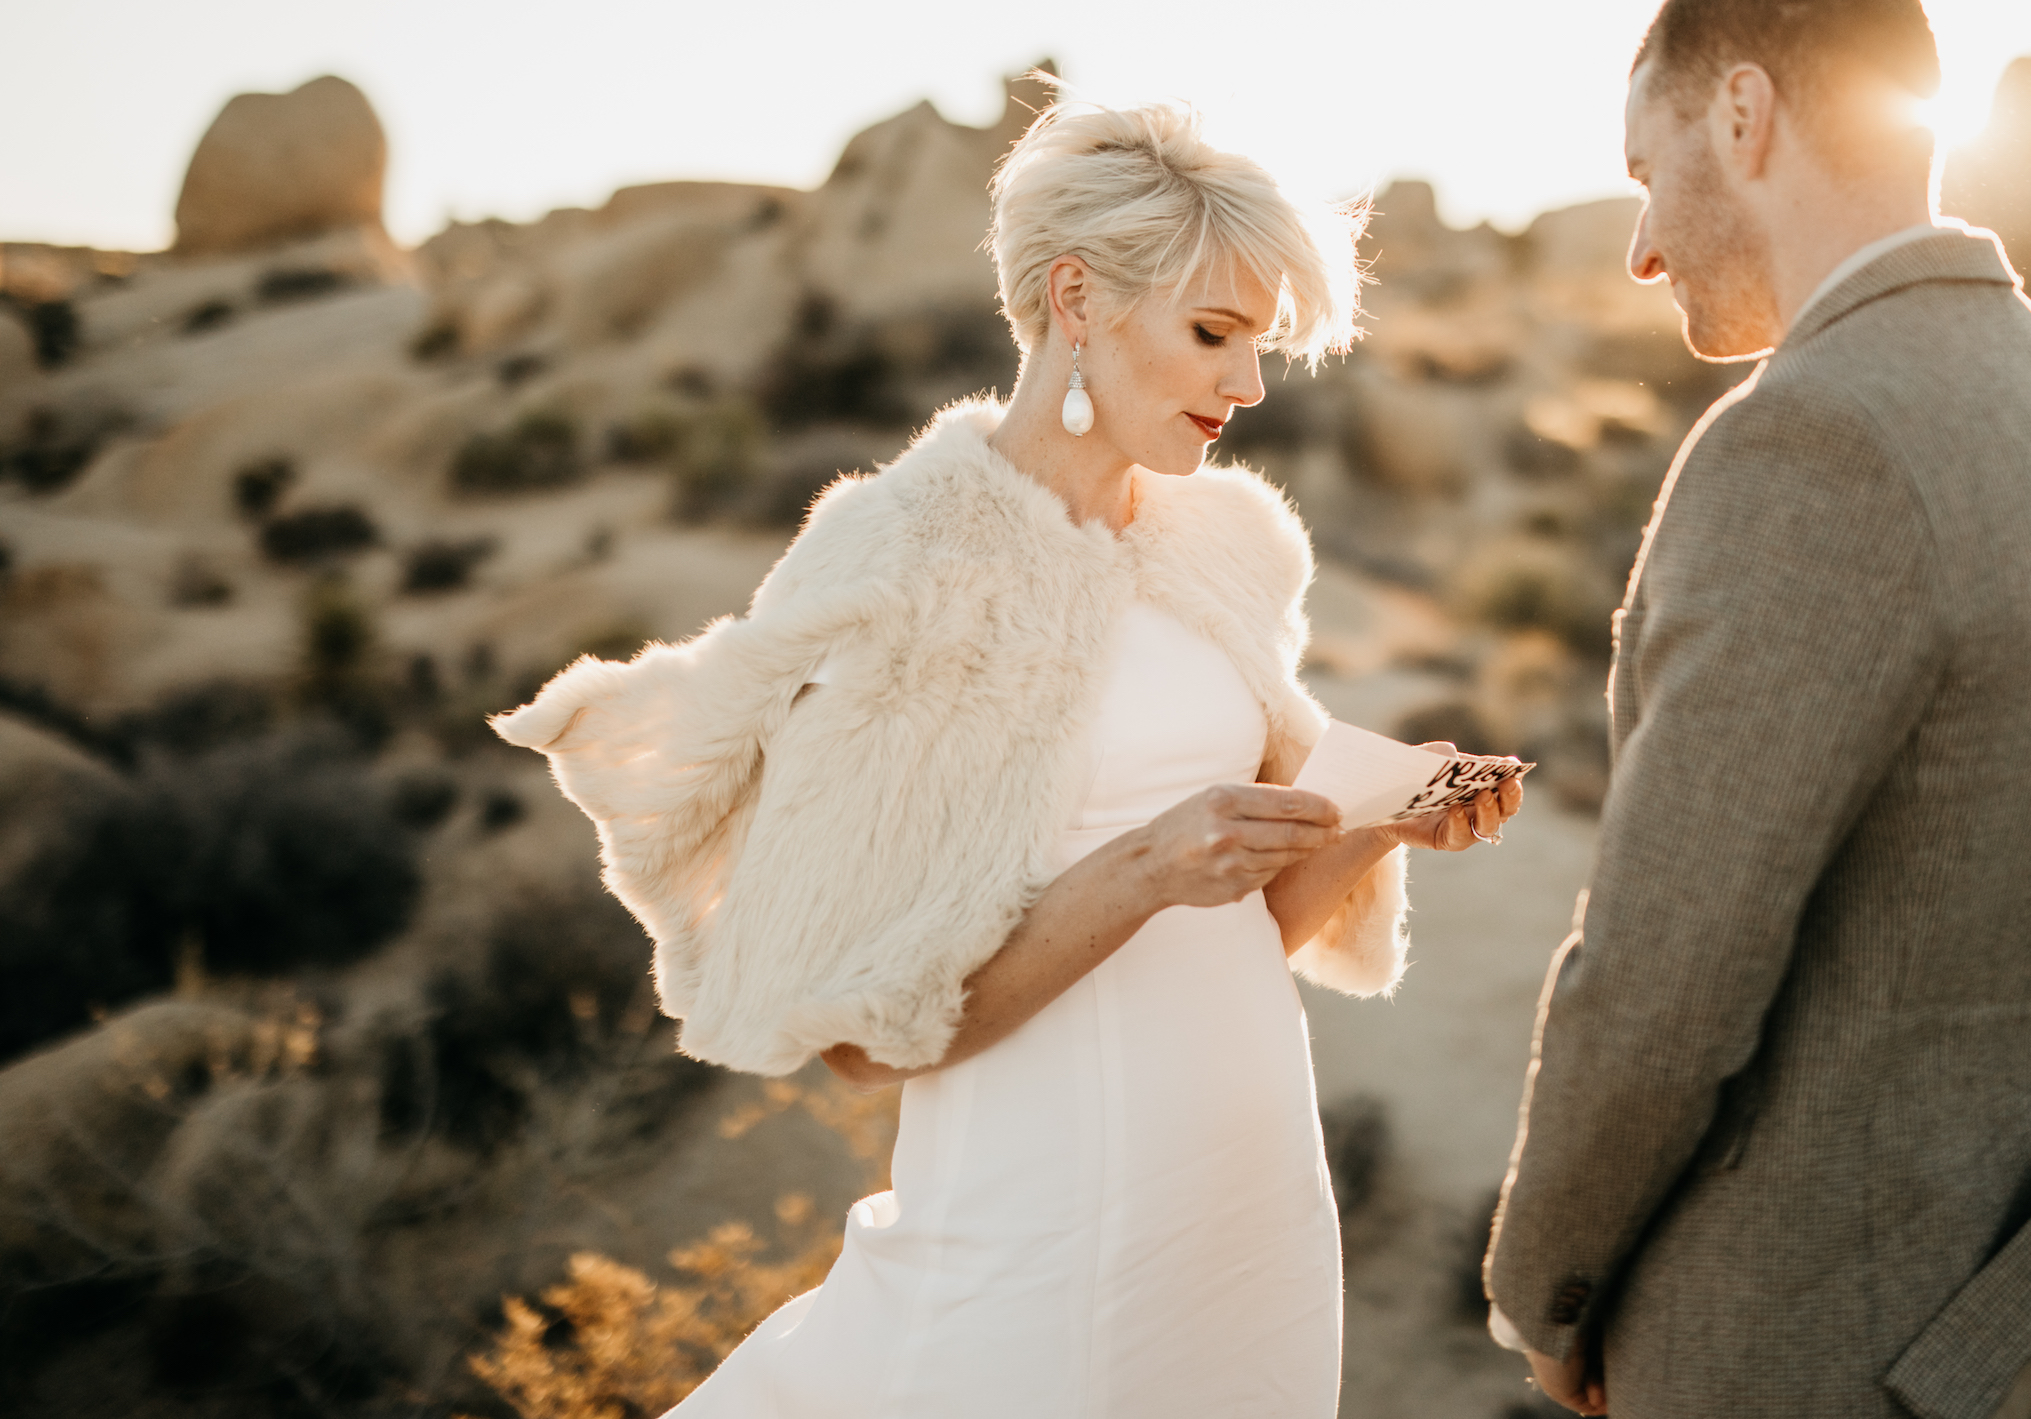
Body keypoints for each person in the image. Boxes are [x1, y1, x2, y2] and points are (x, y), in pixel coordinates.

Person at [492, 97, 1524, 1418]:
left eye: (1260, 345)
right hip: (1045, 1245)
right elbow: (868, 1042)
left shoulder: (1231, 550)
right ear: (1077, 296)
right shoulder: (904, 566)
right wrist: (1146, 867)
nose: (1250, 386)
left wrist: (1378, 818)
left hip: (1248, 1230)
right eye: (1215, 335)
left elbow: (1240, 928)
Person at [1481, 0, 2031, 1419]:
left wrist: (1546, 1284)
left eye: (1643, 172)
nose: (1643, 247)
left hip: (1818, 1331)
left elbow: (1669, 975)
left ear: (1742, 117)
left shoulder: (1810, 442)